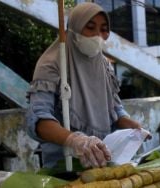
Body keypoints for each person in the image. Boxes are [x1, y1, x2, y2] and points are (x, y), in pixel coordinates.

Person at [25, 2, 142, 169]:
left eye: (103, 29)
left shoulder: (104, 65)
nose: (97, 35)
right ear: (75, 28)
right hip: (64, 167)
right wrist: (76, 140)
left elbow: (114, 108)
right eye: (90, 27)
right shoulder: (51, 64)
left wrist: (132, 126)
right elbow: (37, 121)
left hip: (104, 163)